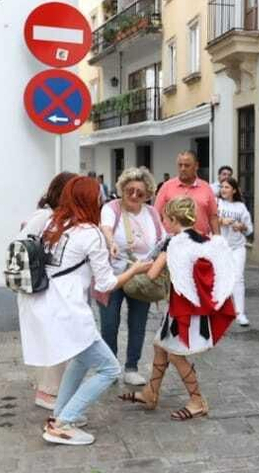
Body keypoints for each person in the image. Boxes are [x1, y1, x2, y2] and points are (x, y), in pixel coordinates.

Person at [18, 176, 122, 445]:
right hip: (68, 312)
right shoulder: (90, 233)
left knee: (80, 359)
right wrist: (136, 270)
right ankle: (63, 424)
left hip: (45, 306)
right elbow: (108, 282)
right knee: (109, 369)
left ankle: (60, 414)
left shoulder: (55, 224)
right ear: (91, 200)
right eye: (98, 195)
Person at [117, 196, 236, 421]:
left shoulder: (173, 242)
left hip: (182, 311)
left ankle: (197, 401)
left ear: (172, 219)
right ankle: (151, 393)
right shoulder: (204, 239)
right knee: (160, 347)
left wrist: (135, 267)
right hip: (194, 308)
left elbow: (152, 273)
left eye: (165, 219)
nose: (164, 223)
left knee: (176, 355)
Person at [99, 167, 164, 387]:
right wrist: (111, 243)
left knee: (138, 323)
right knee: (109, 324)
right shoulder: (111, 208)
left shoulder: (152, 213)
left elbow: (162, 241)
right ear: (122, 190)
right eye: (130, 191)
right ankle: (109, 368)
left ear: (148, 194)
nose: (135, 196)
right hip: (113, 275)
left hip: (142, 278)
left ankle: (131, 367)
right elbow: (106, 228)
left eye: (140, 192)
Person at [23, 171, 77, 408]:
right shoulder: (44, 216)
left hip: (48, 288)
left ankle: (51, 389)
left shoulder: (57, 217)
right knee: (51, 338)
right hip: (39, 287)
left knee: (56, 337)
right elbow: (24, 247)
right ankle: (47, 392)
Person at [216, 176, 254, 328]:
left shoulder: (241, 207)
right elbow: (208, 219)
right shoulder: (217, 203)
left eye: (227, 187)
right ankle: (219, 310)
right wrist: (221, 221)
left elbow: (249, 228)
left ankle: (240, 313)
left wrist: (241, 227)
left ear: (234, 190)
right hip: (220, 247)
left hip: (238, 247)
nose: (224, 190)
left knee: (238, 278)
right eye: (222, 187)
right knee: (220, 278)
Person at [155, 152, 217, 237]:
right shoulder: (166, 187)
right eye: (180, 165)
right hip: (172, 242)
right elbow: (156, 216)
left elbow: (213, 217)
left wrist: (218, 241)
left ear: (196, 166)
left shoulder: (206, 188)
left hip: (199, 243)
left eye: (187, 165)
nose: (183, 169)